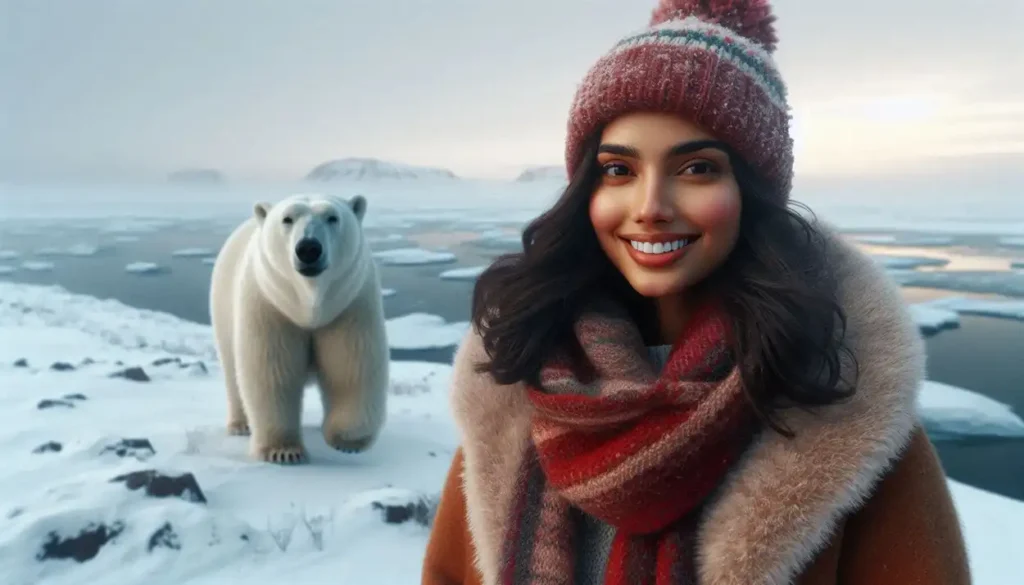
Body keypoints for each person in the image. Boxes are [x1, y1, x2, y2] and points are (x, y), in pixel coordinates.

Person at [421, 0, 971, 583]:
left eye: (696, 169)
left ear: (751, 191)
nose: (651, 207)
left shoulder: (840, 406)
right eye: (618, 170)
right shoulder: (520, 385)